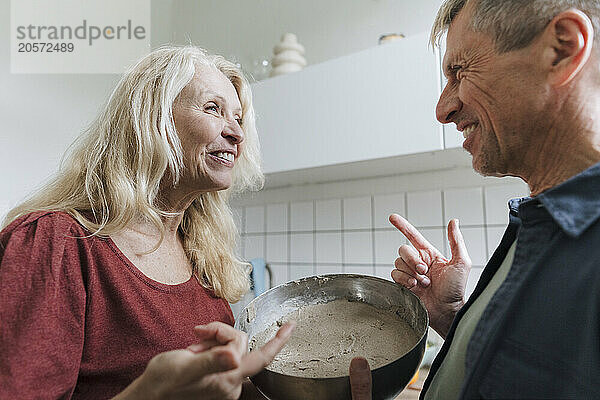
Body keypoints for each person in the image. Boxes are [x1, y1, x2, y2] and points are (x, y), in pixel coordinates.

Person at [0, 45, 298, 399]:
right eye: (213, 108)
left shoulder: (203, 255)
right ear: (152, 121)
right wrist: (148, 393)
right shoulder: (55, 242)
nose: (237, 133)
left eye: (238, 118)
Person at [387, 0, 600, 398]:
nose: (443, 109)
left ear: (562, 49)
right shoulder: (538, 223)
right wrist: (455, 319)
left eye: (459, 71)